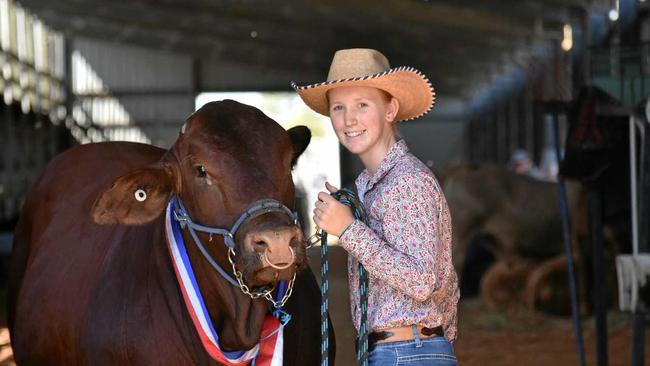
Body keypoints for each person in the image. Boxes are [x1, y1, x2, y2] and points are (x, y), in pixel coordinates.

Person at [292, 48, 459, 365]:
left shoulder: (409, 182)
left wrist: (347, 229)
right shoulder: (370, 188)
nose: (349, 119)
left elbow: (421, 281)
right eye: (338, 107)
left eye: (362, 105)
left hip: (407, 352)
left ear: (390, 109)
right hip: (397, 351)